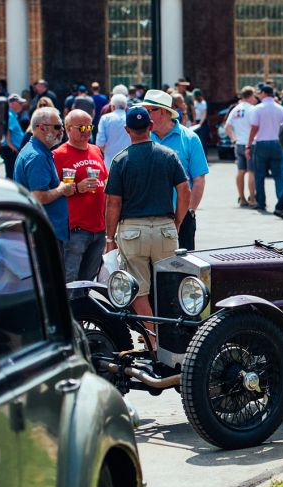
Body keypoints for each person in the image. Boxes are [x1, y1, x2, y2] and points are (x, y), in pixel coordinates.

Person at [104, 107, 190, 331]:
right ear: (151, 126)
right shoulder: (169, 155)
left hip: (133, 231)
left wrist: (109, 237)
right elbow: (185, 191)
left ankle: (152, 340)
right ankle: (173, 338)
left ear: (127, 129)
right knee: (170, 286)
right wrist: (178, 221)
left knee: (138, 290)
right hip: (164, 227)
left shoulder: (120, 160)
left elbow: (113, 204)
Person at [137, 89, 209, 251]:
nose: (144, 115)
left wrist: (189, 211)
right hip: (148, 216)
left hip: (182, 215)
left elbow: (199, 179)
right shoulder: (142, 137)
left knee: (184, 267)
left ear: (162, 112)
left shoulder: (189, 138)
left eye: (148, 111)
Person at [53, 109, 106, 297]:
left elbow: (104, 182)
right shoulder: (58, 155)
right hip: (75, 230)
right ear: (68, 129)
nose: (87, 131)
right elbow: (51, 191)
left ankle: (81, 322)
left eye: (90, 126)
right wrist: (77, 188)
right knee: (69, 283)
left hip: (99, 229)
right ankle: (68, 324)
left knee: (87, 284)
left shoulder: (95, 150)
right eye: (81, 127)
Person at [13, 106, 81, 254]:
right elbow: (39, 196)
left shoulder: (38, 152)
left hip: (44, 231)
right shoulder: (37, 156)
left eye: (62, 126)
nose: (62, 130)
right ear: (42, 128)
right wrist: (62, 189)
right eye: (57, 127)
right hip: (43, 233)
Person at [245, 84, 283, 212]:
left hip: (262, 144)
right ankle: (281, 203)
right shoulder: (280, 109)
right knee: (278, 176)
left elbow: (254, 129)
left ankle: (261, 202)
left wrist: (248, 146)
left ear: (263, 93)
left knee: (259, 175)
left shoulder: (257, 109)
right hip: (276, 143)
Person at [225, 86, 258, 206]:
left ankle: (242, 198)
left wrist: (234, 139)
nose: (255, 98)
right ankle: (253, 198)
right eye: (254, 96)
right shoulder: (252, 109)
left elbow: (227, 127)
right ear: (250, 96)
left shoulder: (235, 109)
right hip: (251, 143)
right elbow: (255, 127)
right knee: (252, 172)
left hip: (239, 143)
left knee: (241, 170)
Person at [96, 93, 130, 171]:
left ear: (113, 106)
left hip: (110, 160)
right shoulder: (129, 118)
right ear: (125, 107)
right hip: (129, 160)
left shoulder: (105, 118)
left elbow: (100, 142)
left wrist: (108, 151)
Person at [0, 94, 26, 179]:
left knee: (13, 174)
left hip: (12, 149)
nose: (22, 105)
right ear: (13, 103)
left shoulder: (11, 114)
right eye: (20, 103)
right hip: (11, 150)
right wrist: (9, 144)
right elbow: (5, 127)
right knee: (11, 175)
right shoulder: (9, 114)